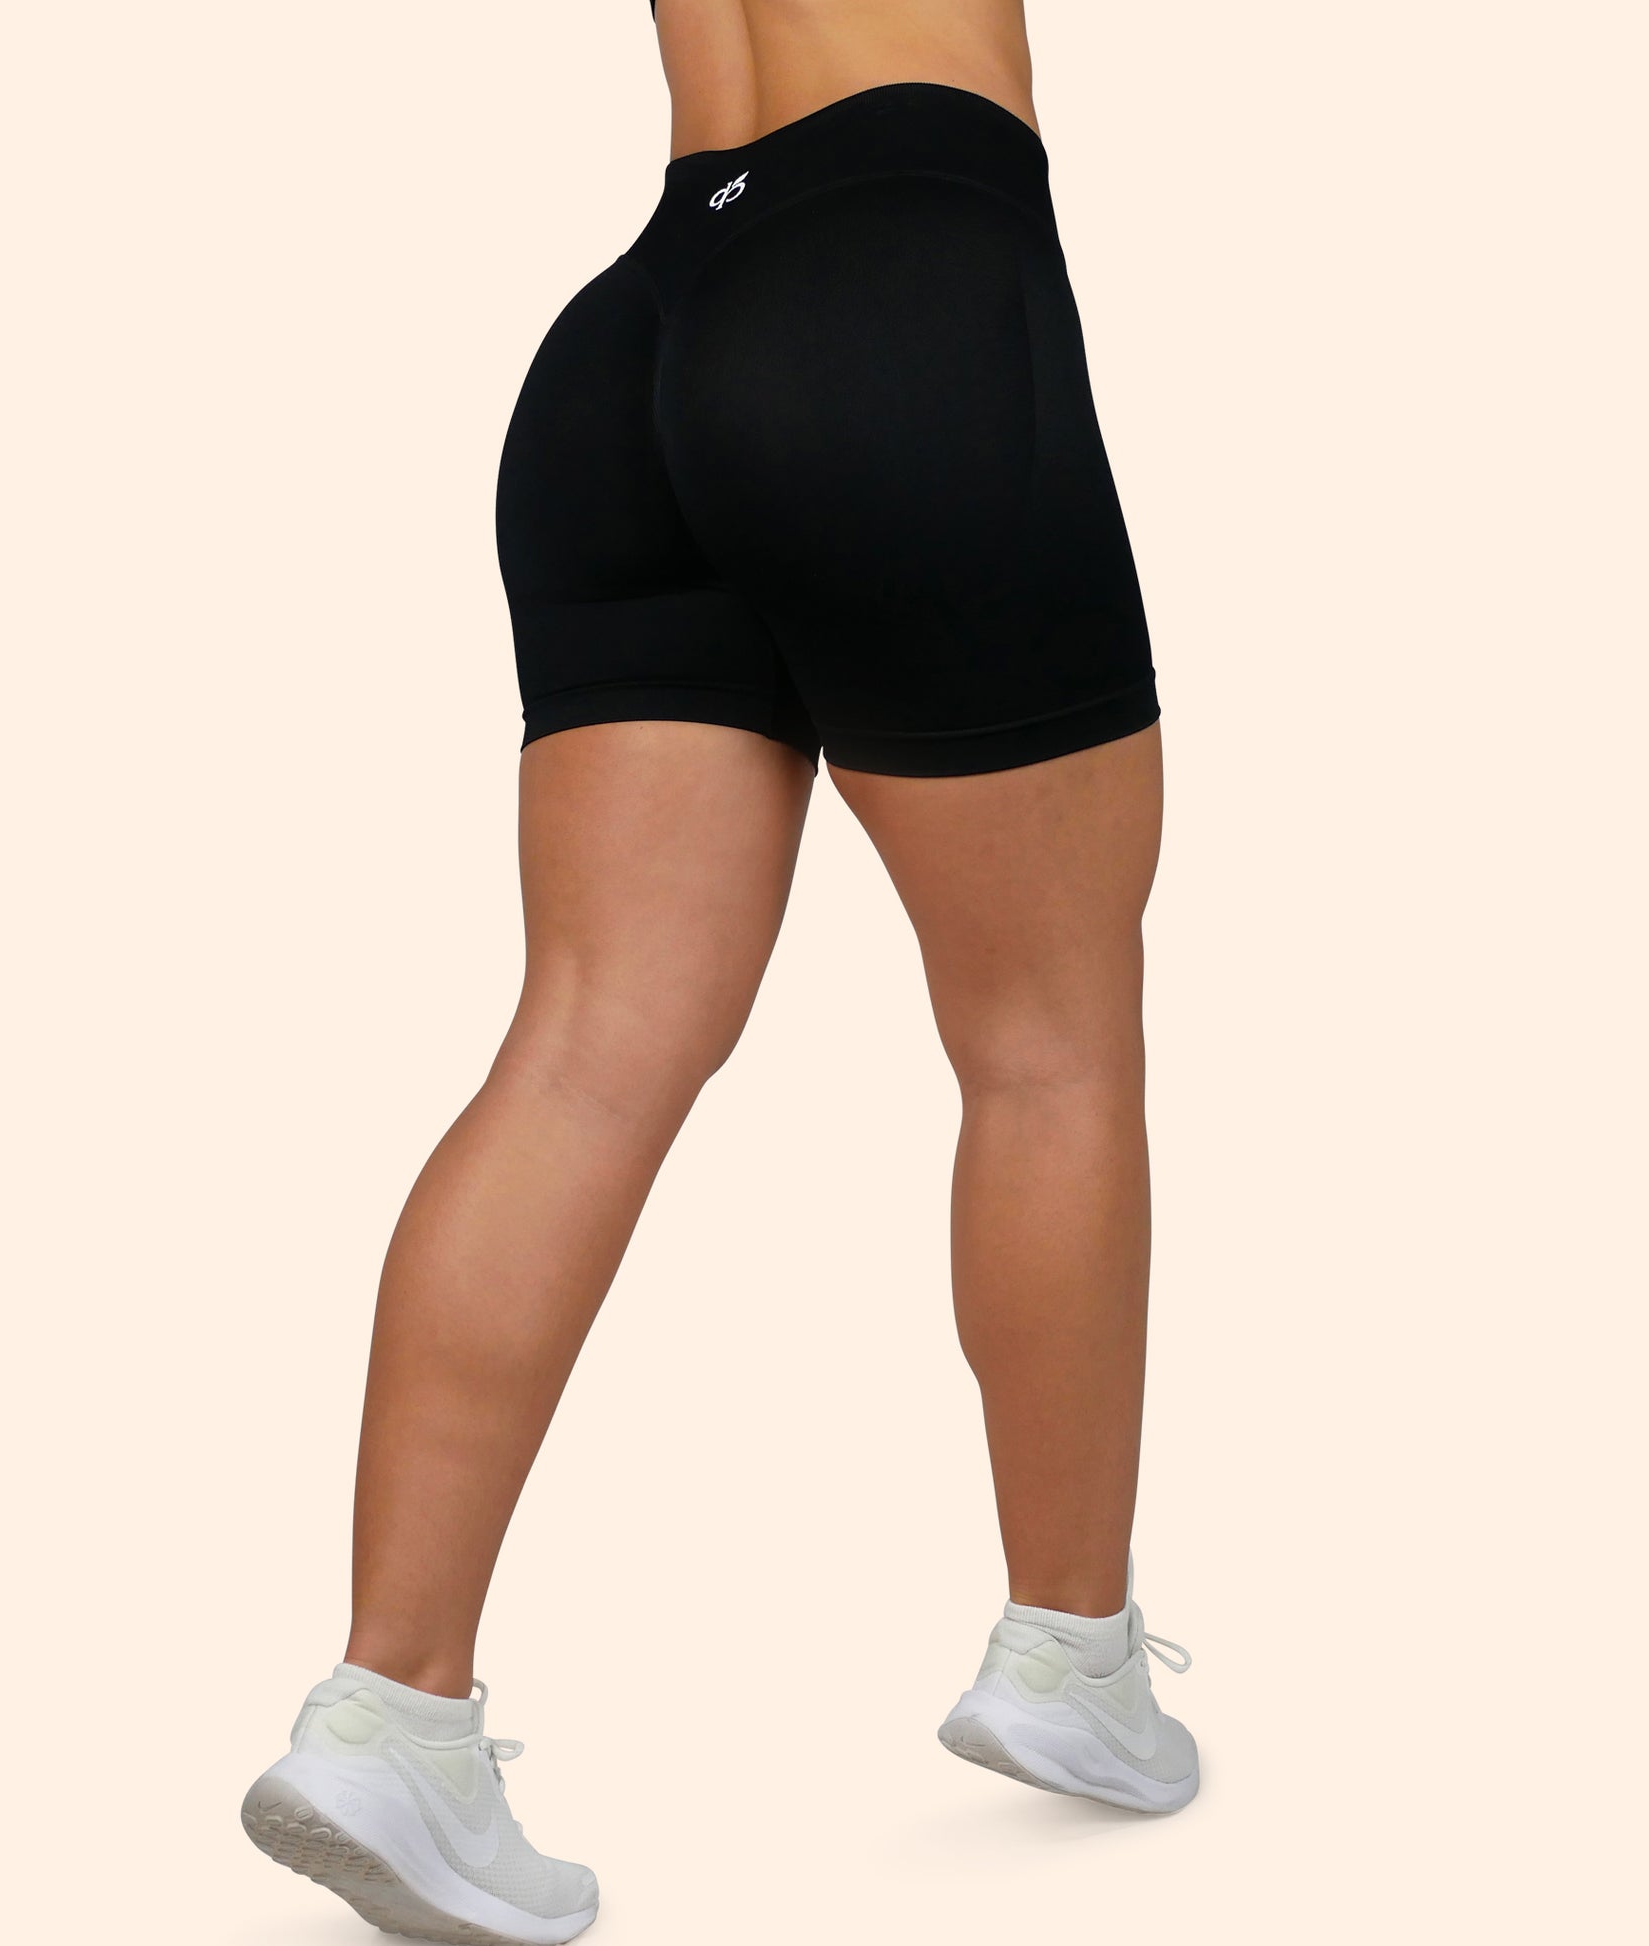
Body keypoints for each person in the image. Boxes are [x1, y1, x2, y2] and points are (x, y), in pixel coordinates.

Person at [241, 2, 1197, 1937]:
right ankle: (1069, 1652)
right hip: (901, 278)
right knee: (1050, 1040)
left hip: (645, 325)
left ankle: (386, 1713)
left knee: (585, 1045)